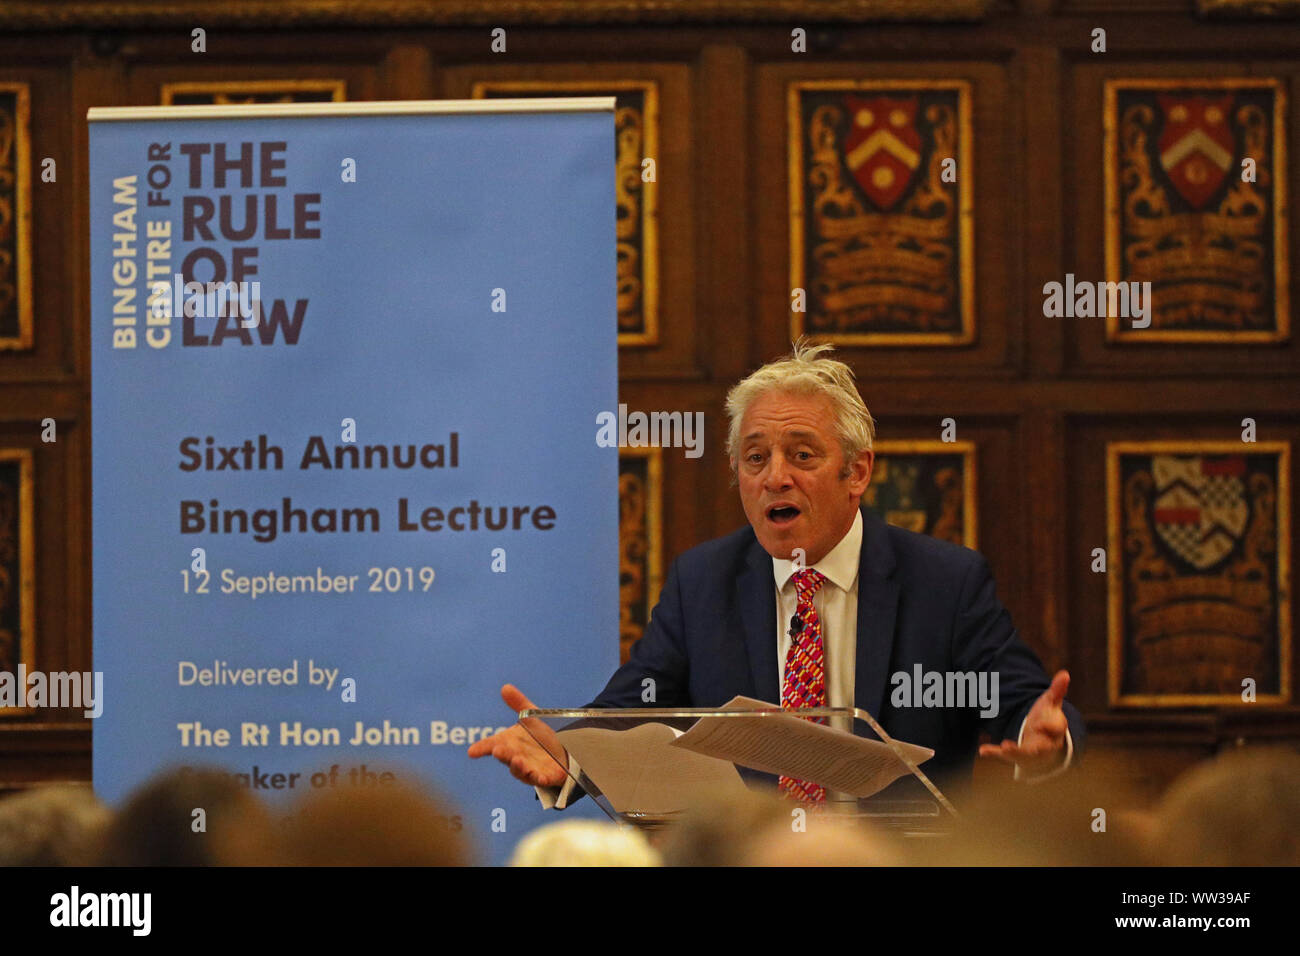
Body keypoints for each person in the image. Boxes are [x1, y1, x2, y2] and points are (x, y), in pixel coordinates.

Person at [468, 341, 1083, 807]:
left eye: (803, 455)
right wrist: (570, 751)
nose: (775, 477)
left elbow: (1021, 703)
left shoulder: (944, 583)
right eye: (755, 458)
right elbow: (637, 705)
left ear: (858, 472)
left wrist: (1040, 732)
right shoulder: (704, 582)